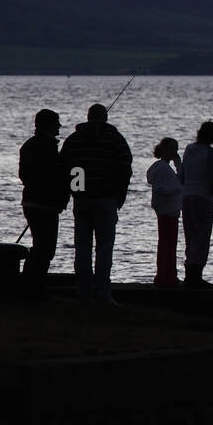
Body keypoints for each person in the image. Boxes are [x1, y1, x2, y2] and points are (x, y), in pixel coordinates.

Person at [60, 103, 133, 306]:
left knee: (82, 247)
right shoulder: (114, 139)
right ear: (105, 118)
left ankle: (83, 294)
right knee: (104, 248)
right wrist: (119, 195)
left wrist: (75, 189)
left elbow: (64, 166)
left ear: (88, 117)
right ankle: (102, 293)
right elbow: (125, 167)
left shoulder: (74, 140)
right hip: (105, 199)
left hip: (81, 199)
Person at [18, 109, 71, 297]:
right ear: (48, 125)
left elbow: (24, 175)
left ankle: (30, 286)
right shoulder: (49, 149)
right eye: (56, 122)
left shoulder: (29, 146)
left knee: (40, 247)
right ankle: (33, 289)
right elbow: (59, 176)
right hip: (45, 206)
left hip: (31, 203)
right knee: (45, 250)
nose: (59, 126)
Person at [180, 121, 213, 289]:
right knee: (202, 236)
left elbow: (182, 175)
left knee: (190, 236)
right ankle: (196, 275)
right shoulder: (210, 153)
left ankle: (189, 273)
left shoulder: (188, 149)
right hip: (203, 197)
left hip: (186, 196)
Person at [147, 137, 183, 288]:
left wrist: (178, 166)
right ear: (166, 149)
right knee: (168, 244)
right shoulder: (162, 169)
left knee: (165, 243)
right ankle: (167, 276)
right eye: (174, 149)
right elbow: (163, 188)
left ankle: (164, 274)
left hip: (166, 210)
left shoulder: (160, 167)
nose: (176, 152)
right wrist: (176, 188)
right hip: (167, 210)